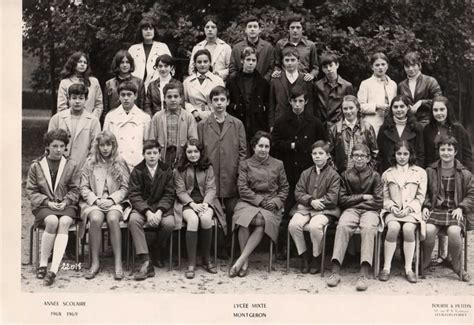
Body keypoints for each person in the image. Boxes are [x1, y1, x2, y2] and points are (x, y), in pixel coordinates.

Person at [272, 86, 327, 256]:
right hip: (288, 170)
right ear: (289, 101)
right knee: (288, 208)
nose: (297, 104)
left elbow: (324, 143)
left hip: (308, 172)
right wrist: (291, 145)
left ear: (306, 101)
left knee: (307, 208)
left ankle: (310, 249)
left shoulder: (314, 122)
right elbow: (274, 145)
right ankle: (284, 247)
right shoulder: (281, 122)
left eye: (301, 101)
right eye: (294, 101)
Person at [229, 131, 289, 277]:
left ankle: (240, 261)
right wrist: (259, 201)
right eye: (260, 146)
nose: (263, 149)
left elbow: (285, 187)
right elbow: (242, 188)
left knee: (262, 221)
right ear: (254, 146)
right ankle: (245, 261)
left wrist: (275, 202)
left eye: (266, 146)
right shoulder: (245, 164)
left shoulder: (278, 164)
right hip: (249, 201)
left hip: (270, 202)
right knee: (243, 221)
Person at [25, 129, 81, 286]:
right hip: (44, 205)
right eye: (54, 146)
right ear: (47, 146)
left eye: (62, 146)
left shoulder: (71, 165)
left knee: (63, 222)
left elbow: (75, 189)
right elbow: (31, 191)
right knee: (52, 221)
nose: (58, 150)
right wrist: (46, 202)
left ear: (65, 147)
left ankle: (53, 270)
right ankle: (43, 264)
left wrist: (66, 201)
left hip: (66, 204)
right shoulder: (37, 165)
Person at [197, 86, 247, 258]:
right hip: (210, 179)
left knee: (232, 210)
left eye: (222, 100)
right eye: (215, 100)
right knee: (213, 210)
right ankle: (213, 247)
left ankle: (230, 246)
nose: (219, 103)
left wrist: (239, 172)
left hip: (231, 175)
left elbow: (242, 151)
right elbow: (200, 151)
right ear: (210, 103)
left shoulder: (237, 124)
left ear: (228, 102)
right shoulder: (203, 125)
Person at [326, 143, 383, 291]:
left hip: (370, 211)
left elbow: (378, 202)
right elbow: (342, 200)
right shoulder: (345, 175)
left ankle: (363, 274)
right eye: (356, 156)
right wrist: (364, 197)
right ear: (351, 157)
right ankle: (335, 272)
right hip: (351, 210)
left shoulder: (375, 176)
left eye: (362, 156)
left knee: (368, 228)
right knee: (343, 226)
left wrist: (356, 201)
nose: (359, 159)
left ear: (368, 158)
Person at [79, 131, 130, 280]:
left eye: (108, 144)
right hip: (95, 201)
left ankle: (118, 262)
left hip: (115, 202)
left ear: (113, 145)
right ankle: (95, 262)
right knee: (95, 219)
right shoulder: (90, 162)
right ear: (97, 146)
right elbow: (83, 187)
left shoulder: (120, 161)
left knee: (113, 219)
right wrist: (95, 200)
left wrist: (112, 199)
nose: (105, 148)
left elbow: (125, 187)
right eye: (102, 145)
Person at [422, 135, 473, 282]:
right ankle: (425, 260)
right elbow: (423, 191)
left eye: (449, 149)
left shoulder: (464, 173)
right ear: (438, 151)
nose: (446, 153)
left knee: (454, 231)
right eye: (442, 149)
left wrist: (462, 208)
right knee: (429, 230)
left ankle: (456, 264)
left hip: (455, 210)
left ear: (455, 151)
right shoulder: (430, 171)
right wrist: (425, 205)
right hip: (436, 210)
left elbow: (471, 194)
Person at [173, 139, 226, 279]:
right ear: (185, 153)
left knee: (206, 218)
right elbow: (180, 191)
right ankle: (191, 263)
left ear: (200, 152)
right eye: (189, 151)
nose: (193, 154)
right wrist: (192, 204)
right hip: (186, 203)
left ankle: (206, 258)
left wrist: (205, 204)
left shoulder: (208, 167)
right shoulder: (179, 169)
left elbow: (211, 188)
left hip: (206, 202)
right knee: (193, 220)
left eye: (196, 151)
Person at [288, 140, 340, 274]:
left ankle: (317, 257)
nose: (317, 156)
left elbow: (333, 196)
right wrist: (311, 201)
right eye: (315, 153)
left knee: (315, 226)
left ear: (328, 156)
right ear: (311, 155)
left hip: (326, 209)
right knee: (294, 224)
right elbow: (298, 192)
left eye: (321, 153)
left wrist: (319, 202)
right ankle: (304, 256)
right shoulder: (306, 173)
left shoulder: (334, 175)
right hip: (306, 207)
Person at [379, 141, 427, 283]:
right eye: (399, 153)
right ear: (394, 155)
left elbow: (420, 196)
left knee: (407, 229)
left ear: (410, 155)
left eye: (405, 153)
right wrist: (392, 208)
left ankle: (408, 268)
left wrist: (408, 209)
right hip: (392, 210)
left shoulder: (420, 172)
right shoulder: (387, 173)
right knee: (393, 227)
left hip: (411, 211)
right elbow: (385, 197)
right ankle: (386, 267)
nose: (402, 157)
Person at [128, 140, 176, 280]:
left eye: (155, 153)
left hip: (162, 208)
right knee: (133, 220)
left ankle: (157, 250)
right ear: (143, 154)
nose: (152, 156)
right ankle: (146, 260)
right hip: (143, 208)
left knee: (169, 224)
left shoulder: (166, 169)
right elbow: (134, 194)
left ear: (160, 154)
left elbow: (169, 193)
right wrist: (147, 212)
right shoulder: (137, 170)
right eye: (148, 153)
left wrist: (160, 211)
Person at [48, 83, 101, 169]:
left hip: (82, 167)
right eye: (74, 98)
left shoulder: (93, 121)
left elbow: (95, 148)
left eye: (81, 98)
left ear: (86, 99)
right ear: (68, 99)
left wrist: (88, 166)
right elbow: (49, 144)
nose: (77, 101)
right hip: (58, 167)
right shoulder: (57, 118)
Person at [103, 81, 151, 171]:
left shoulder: (144, 117)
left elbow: (147, 144)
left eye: (129, 95)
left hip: (137, 163)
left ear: (135, 96)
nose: (126, 98)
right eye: (123, 95)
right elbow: (105, 141)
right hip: (116, 163)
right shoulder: (110, 116)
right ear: (119, 97)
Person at [227, 46, 270, 144]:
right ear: (242, 60)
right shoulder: (232, 81)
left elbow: (267, 102)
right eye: (248, 59)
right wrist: (234, 106)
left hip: (257, 122)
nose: (251, 63)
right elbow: (227, 101)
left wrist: (262, 108)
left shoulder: (263, 82)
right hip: (239, 119)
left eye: (254, 60)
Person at [149, 82, 198, 168]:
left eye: (176, 96)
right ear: (164, 98)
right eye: (169, 97)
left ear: (181, 98)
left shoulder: (188, 117)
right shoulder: (157, 117)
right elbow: (152, 141)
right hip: (163, 155)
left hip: (182, 156)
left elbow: (193, 139)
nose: (172, 99)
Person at [329, 95, 378, 173]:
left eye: (351, 108)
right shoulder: (334, 129)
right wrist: (335, 172)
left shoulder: (367, 128)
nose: (348, 112)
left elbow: (375, 153)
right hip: (341, 174)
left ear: (358, 108)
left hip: (363, 175)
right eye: (345, 109)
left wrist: (368, 172)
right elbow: (329, 154)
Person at [423, 96, 473, 171]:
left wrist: (465, 173)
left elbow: (467, 156)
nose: (439, 113)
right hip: (433, 173)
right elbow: (424, 155)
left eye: (442, 109)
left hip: (456, 173)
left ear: (448, 110)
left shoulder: (458, 129)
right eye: (435, 110)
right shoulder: (427, 130)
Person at [377, 95, 425, 172]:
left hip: (411, 173)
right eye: (395, 107)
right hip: (389, 172)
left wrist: (416, 173)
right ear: (391, 109)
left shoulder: (417, 128)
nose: (399, 110)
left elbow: (420, 154)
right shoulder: (384, 128)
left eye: (402, 106)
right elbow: (380, 155)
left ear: (408, 108)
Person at [269, 48, 313, 129]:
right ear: (283, 61)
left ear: (298, 61)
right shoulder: (276, 79)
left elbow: (309, 105)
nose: (290, 63)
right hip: (280, 121)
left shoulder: (305, 79)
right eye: (287, 60)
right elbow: (272, 103)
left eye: (293, 60)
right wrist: (272, 124)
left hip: (301, 122)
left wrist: (309, 124)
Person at [357, 52, 398, 136]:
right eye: (377, 65)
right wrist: (376, 106)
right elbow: (359, 106)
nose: (380, 67)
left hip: (390, 124)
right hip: (372, 124)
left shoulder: (393, 84)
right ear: (372, 67)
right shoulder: (366, 84)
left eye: (383, 64)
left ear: (387, 66)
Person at [398, 51, 442, 126]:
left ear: (419, 65)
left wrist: (422, 103)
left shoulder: (430, 81)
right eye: (407, 66)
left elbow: (439, 101)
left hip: (428, 123)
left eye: (413, 65)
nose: (410, 69)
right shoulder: (401, 85)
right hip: (408, 124)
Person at [129, 17, 172, 91]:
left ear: (154, 31)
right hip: (136, 88)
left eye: (151, 29)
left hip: (157, 88)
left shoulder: (163, 47)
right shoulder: (133, 49)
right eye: (145, 29)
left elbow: (171, 69)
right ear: (141, 31)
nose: (148, 31)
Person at [57, 51, 103, 119]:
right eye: (79, 62)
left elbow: (99, 104)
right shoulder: (65, 82)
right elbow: (62, 106)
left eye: (85, 62)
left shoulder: (94, 82)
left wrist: (92, 119)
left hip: (90, 121)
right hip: (70, 121)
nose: (82, 64)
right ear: (73, 63)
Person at [272, 14, 319, 81]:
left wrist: (311, 75)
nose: (295, 30)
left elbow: (315, 68)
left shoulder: (310, 45)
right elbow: (277, 65)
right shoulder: (280, 44)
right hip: (285, 82)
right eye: (292, 27)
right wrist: (276, 71)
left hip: (304, 82)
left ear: (302, 29)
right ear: (288, 29)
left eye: (298, 27)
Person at [103, 50, 145, 123]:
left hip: (134, 121)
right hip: (115, 121)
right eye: (122, 62)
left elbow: (142, 106)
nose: (125, 65)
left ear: (131, 64)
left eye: (127, 62)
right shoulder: (109, 84)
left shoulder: (139, 82)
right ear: (117, 64)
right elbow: (106, 109)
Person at [314, 53, 354, 128]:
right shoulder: (317, 85)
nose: (329, 69)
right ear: (322, 69)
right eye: (325, 67)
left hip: (340, 125)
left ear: (337, 65)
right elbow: (315, 107)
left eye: (331, 65)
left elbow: (352, 107)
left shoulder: (347, 86)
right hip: (322, 126)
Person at [183, 49, 225, 122]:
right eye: (199, 62)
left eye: (205, 62)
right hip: (194, 117)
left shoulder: (218, 80)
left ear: (210, 63)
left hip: (214, 116)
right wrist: (193, 111)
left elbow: (222, 100)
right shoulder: (187, 82)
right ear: (195, 64)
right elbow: (184, 101)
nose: (202, 65)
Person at [228, 15, 274, 81]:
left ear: (259, 30)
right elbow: (232, 69)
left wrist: (263, 82)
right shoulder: (236, 48)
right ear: (245, 30)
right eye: (250, 27)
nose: (252, 29)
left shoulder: (268, 47)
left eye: (255, 27)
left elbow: (271, 68)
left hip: (262, 86)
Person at [188, 15, 232, 81]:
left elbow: (230, 68)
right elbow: (191, 68)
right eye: (207, 27)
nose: (210, 29)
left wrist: (218, 74)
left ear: (217, 29)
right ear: (204, 29)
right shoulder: (197, 47)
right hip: (200, 83)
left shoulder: (225, 47)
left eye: (213, 27)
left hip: (219, 84)